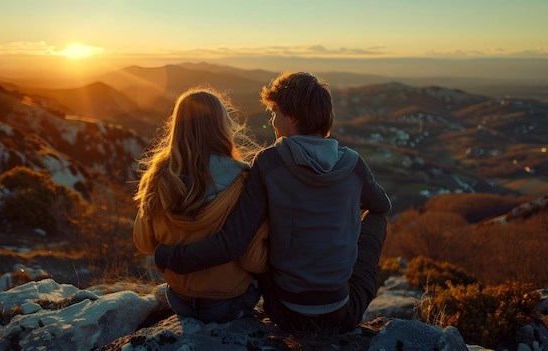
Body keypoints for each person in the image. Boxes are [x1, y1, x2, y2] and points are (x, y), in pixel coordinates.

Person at [153, 72, 392, 334]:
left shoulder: (269, 163)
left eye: (274, 112)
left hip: (284, 311)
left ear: (291, 117)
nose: (272, 121)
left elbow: (232, 244)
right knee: (377, 218)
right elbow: (381, 206)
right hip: (342, 313)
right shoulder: (354, 164)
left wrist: (168, 256)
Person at [133, 87, 269, 323]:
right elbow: (252, 260)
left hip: (179, 299)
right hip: (227, 303)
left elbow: (144, 242)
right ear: (221, 127)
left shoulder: (157, 176)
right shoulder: (243, 180)